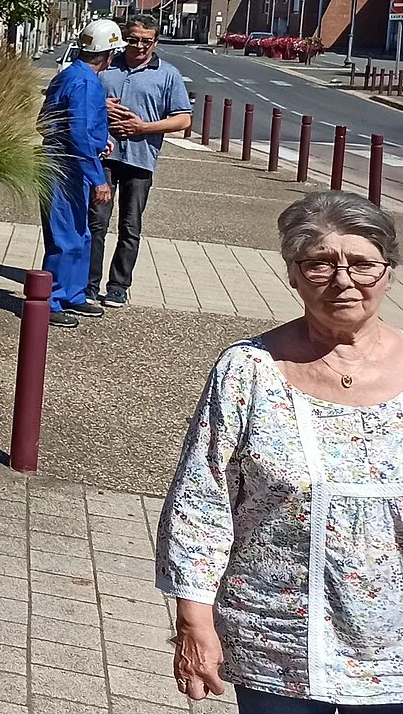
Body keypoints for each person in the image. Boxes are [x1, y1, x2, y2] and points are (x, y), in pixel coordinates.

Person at [157, 191, 403, 711]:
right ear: (292, 274)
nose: (342, 281)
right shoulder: (247, 369)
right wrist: (193, 618)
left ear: (388, 272)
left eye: (362, 264)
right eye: (319, 264)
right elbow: (202, 499)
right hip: (277, 644)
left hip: (393, 647)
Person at [91, 15, 193, 308]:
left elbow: (183, 118)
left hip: (141, 159)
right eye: (133, 39)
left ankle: (118, 286)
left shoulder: (168, 74)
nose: (139, 46)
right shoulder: (106, 68)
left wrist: (142, 128)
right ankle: (88, 283)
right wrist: (101, 109)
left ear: (155, 42)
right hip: (105, 156)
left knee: (130, 225)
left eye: (146, 41)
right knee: (96, 221)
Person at [42, 20, 120, 328]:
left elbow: (59, 120)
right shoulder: (86, 82)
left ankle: (71, 294)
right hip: (67, 166)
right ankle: (51, 299)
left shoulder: (69, 75)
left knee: (80, 234)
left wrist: (102, 139)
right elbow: (78, 132)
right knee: (66, 237)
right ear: (108, 54)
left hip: (64, 162)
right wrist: (98, 177)